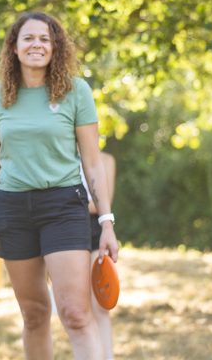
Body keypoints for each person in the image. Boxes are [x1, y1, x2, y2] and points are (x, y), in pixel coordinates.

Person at [0, 11, 119, 360]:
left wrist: (107, 223)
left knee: (76, 314)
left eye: (44, 39)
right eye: (28, 38)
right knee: (34, 314)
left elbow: (92, 161)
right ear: (15, 47)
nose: (36, 44)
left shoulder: (75, 91)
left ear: (55, 47)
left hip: (64, 207)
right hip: (12, 210)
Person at [88, 152, 117, 360]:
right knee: (79, 308)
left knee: (100, 304)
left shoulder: (106, 160)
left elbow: (102, 203)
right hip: (66, 233)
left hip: (95, 232)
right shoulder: (64, 158)